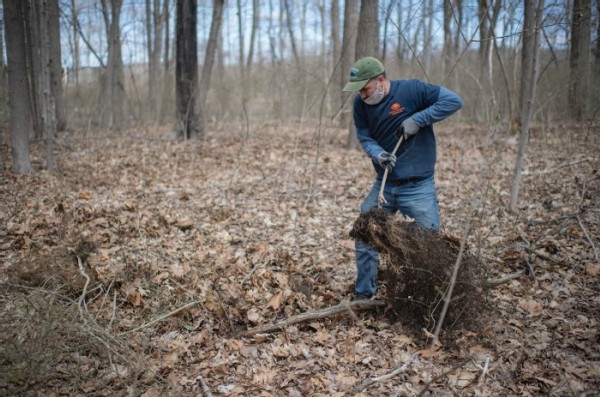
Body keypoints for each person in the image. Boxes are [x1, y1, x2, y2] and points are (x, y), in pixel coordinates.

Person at [342, 56, 463, 301]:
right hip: (385, 184)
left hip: (418, 185)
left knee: (429, 242)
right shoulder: (360, 104)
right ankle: (364, 294)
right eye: (359, 91)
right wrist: (379, 155)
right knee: (365, 229)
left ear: (381, 81)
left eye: (365, 89)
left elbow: (454, 101)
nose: (363, 96)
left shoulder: (412, 90)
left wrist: (417, 120)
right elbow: (364, 136)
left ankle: (428, 298)